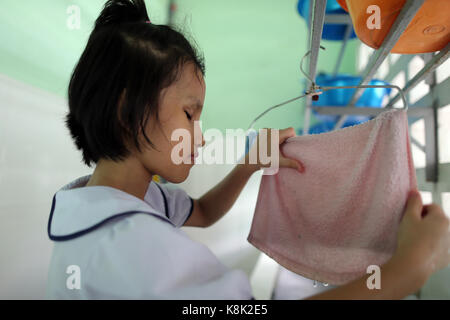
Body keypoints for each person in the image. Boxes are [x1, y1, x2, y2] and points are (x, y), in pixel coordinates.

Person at [45, 0, 450, 299]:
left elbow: (200, 213)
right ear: (125, 110)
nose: (199, 137)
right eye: (189, 114)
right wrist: (412, 266)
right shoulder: (132, 247)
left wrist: (247, 166)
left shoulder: (115, 198)